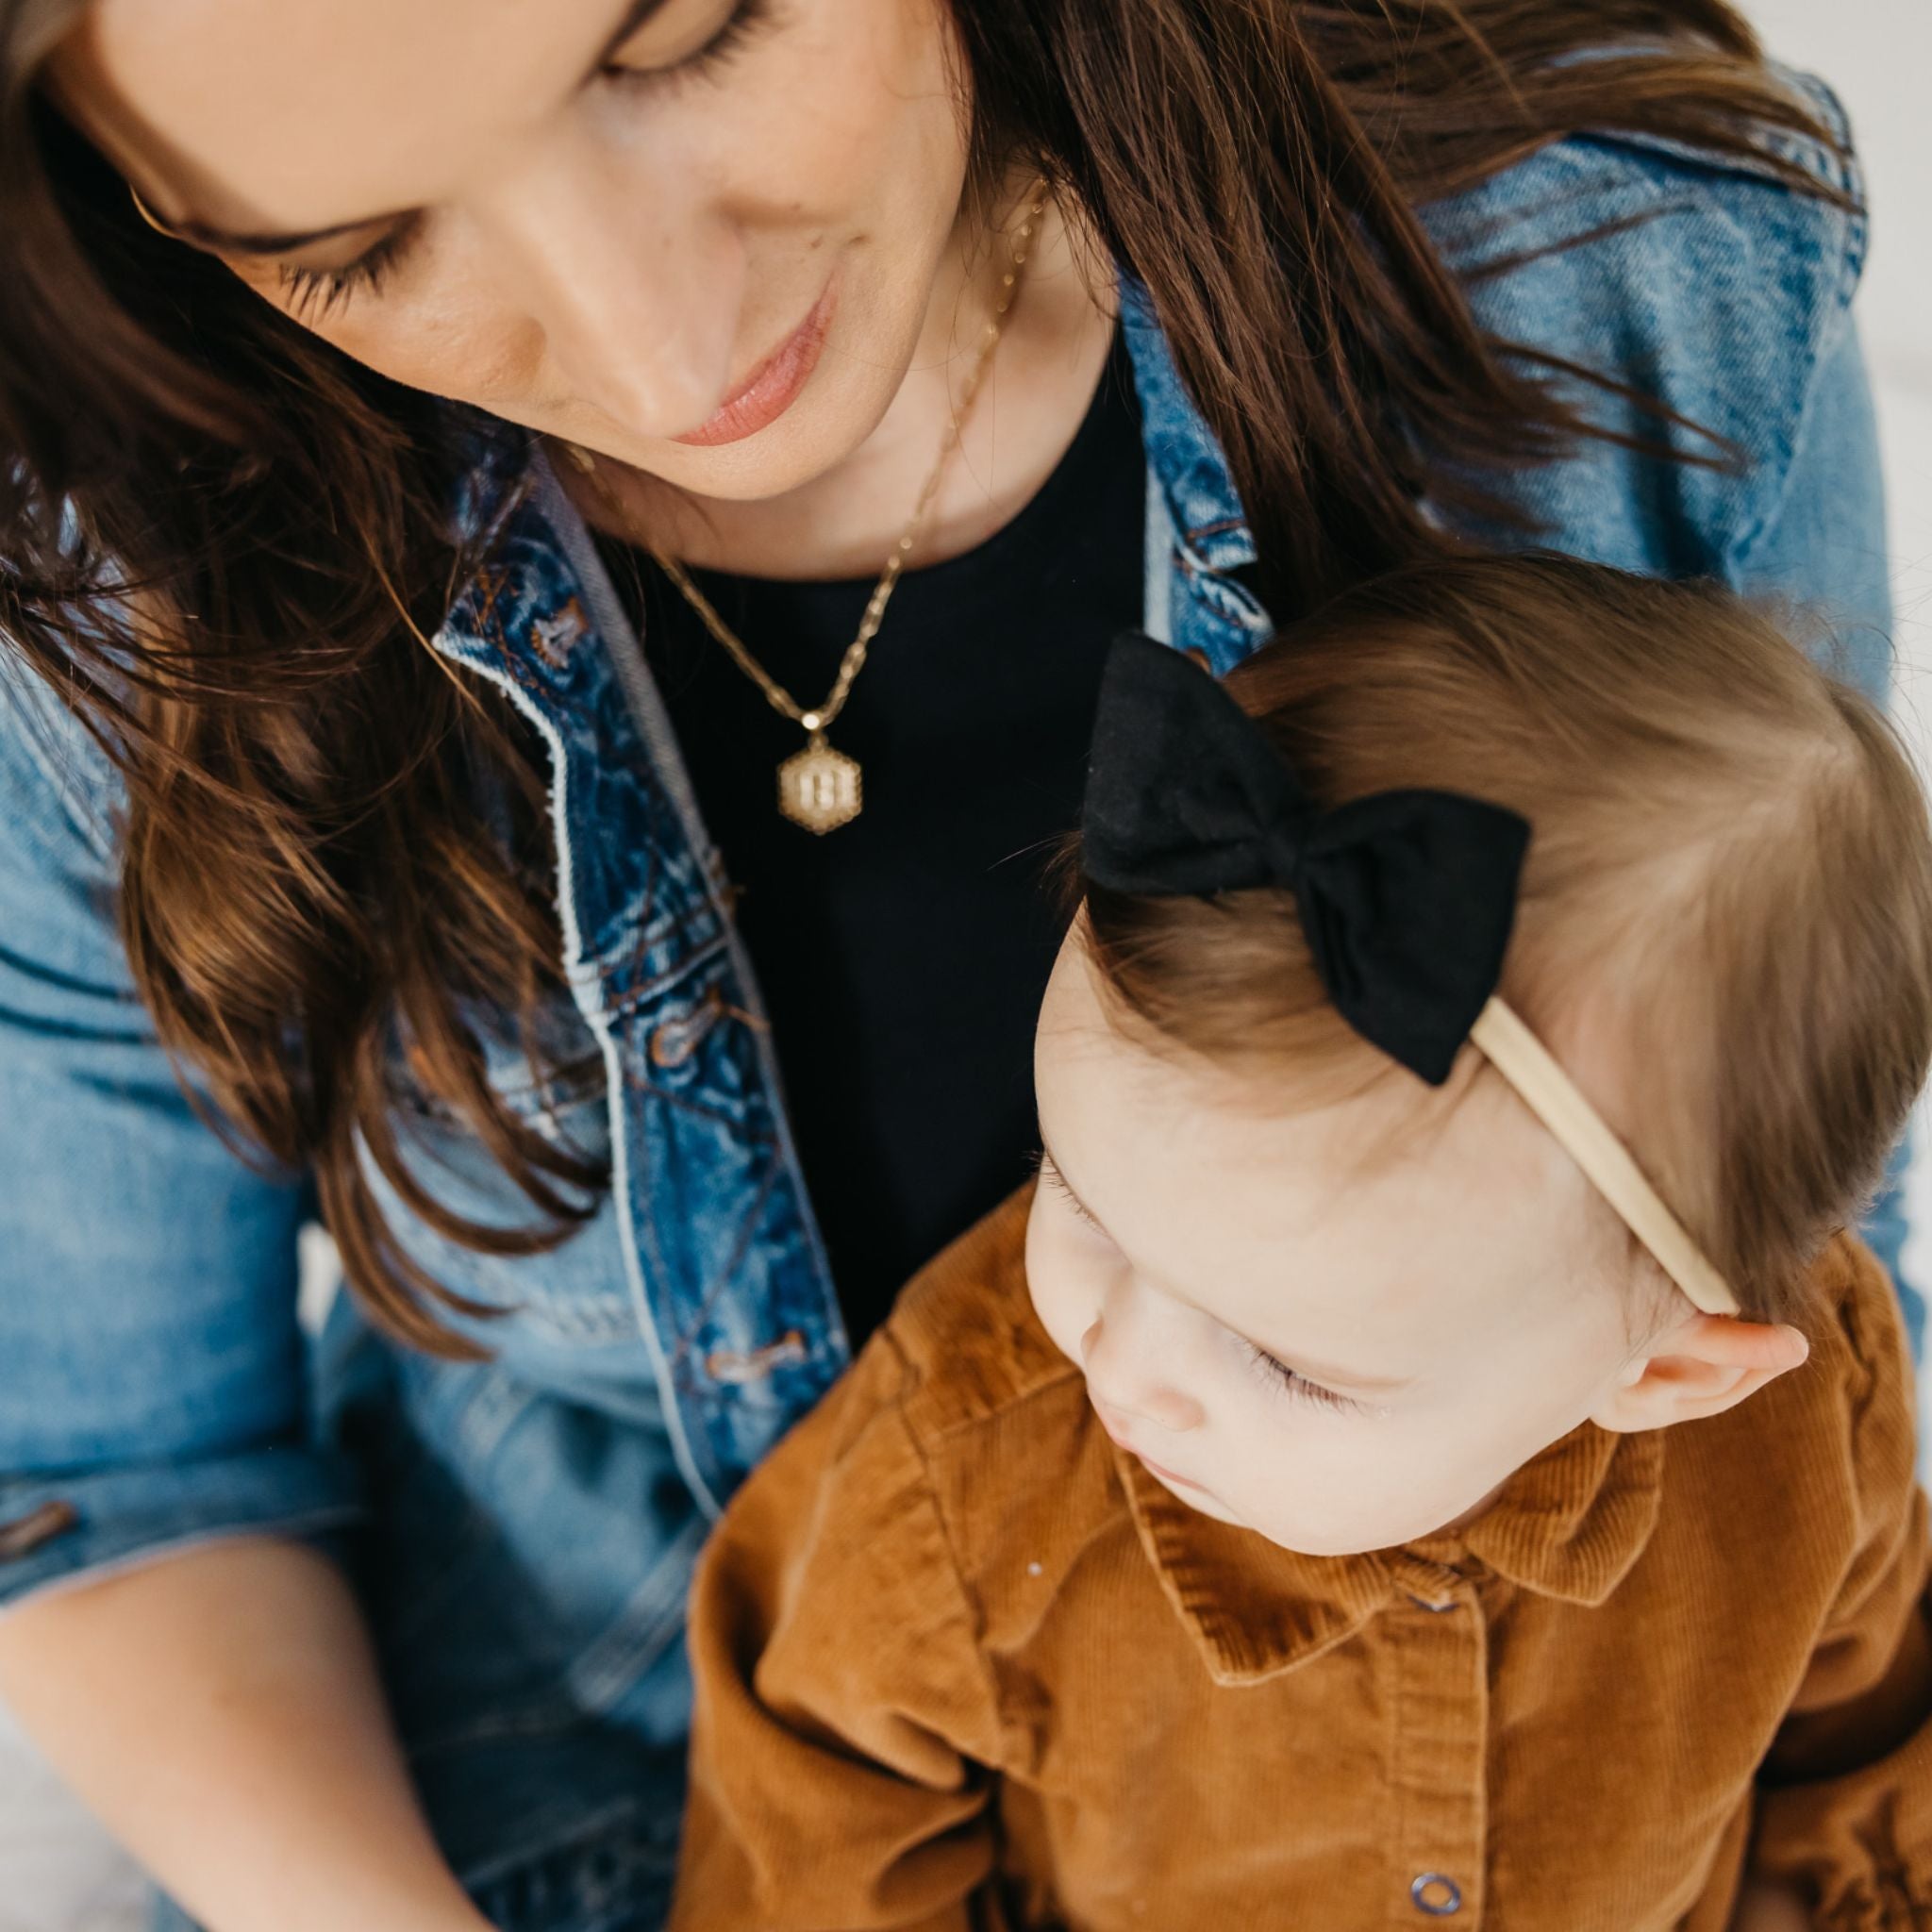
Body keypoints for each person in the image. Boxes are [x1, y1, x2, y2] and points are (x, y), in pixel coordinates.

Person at [0, 2, 1904, 1928]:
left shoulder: (1615, 258)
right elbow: (121, 1470)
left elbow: (1772, 1228)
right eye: (354, 243)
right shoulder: (107, 581)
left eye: (691, 33)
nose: (673, 355)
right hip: (559, 1795)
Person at [671, 555, 1932, 1932]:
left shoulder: (1815, 1429)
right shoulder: (973, 1456)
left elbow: (1864, 1737)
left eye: (1289, 1364)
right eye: (1078, 1193)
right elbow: (810, 1816)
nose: (1119, 1363)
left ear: (1672, 1372)